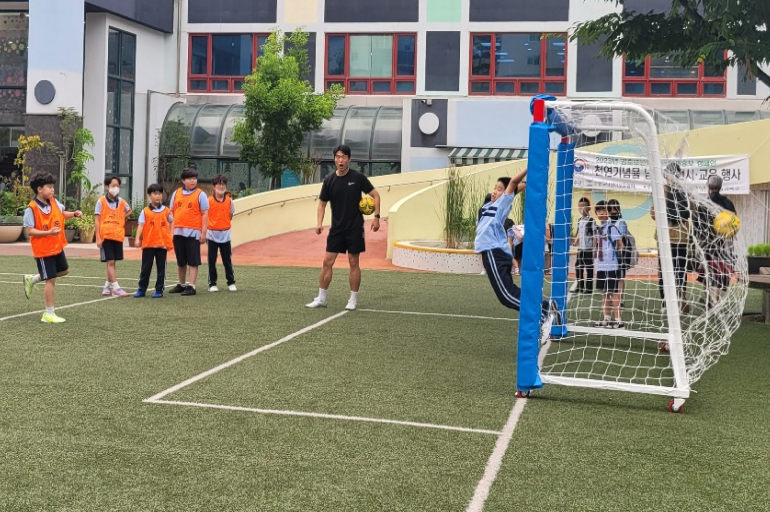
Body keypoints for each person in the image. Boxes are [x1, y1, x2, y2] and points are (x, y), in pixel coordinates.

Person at [475, 170, 561, 334]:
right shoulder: (487, 206)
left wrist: (531, 168)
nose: (495, 191)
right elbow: (515, 186)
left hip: (493, 252)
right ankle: (544, 306)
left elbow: (513, 184)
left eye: (500, 189)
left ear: (507, 193)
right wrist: (529, 183)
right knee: (508, 292)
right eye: (495, 188)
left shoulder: (503, 204)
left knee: (506, 295)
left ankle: (543, 312)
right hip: (494, 252)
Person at [306, 144, 381, 311]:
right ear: (334, 159)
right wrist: (319, 222)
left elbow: (376, 195)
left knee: (353, 262)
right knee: (327, 262)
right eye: (338, 157)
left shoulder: (358, 178)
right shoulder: (329, 181)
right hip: (337, 229)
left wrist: (376, 217)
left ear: (349, 159)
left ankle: (353, 299)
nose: (340, 160)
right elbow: (322, 204)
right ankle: (322, 298)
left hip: (354, 228)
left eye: (344, 157)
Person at [22, 171, 83, 323]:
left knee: (64, 270)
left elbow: (62, 213)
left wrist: (74, 214)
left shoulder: (54, 202)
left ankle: (33, 279)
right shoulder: (32, 209)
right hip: (43, 250)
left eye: (52, 187)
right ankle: (48, 314)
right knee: (51, 279)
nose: (52, 189)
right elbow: (29, 230)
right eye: (49, 187)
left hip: (56, 247)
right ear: (39, 189)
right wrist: (47, 232)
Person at [651, 172, 691, 313]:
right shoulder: (685, 190)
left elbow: (653, 214)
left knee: (670, 270)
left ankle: (671, 303)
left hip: (671, 237)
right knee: (677, 270)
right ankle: (674, 302)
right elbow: (692, 211)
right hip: (676, 237)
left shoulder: (665, 190)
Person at [168, 168, 209, 296]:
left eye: (194, 178)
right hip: (178, 232)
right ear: (183, 180)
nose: (193, 181)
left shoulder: (200, 194)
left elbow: (205, 214)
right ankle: (181, 284)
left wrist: (203, 233)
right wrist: (170, 232)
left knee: (193, 260)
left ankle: (192, 286)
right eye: (190, 178)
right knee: (181, 260)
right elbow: (171, 212)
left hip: (193, 233)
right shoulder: (176, 193)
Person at [133, 184, 173, 298]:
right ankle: (141, 289)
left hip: (162, 245)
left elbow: (172, 221)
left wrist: (171, 234)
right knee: (145, 268)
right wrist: (137, 239)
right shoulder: (145, 211)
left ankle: (159, 290)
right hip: (148, 244)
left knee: (161, 269)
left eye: (159, 194)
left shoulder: (166, 211)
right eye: (155, 194)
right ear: (149, 196)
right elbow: (140, 225)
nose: (157, 196)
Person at [95, 175, 132, 297]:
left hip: (117, 235)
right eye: (113, 185)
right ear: (107, 187)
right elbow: (97, 220)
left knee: (112, 262)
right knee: (110, 261)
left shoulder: (121, 202)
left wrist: (121, 217)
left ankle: (107, 285)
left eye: (117, 186)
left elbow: (129, 210)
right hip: (106, 236)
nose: (115, 188)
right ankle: (116, 287)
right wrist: (98, 238)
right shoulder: (101, 201)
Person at [594, 200, 624, 328]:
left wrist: (613, 256)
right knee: (605, 293)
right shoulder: (598, 229)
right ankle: (607, 318)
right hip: (601, 266)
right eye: (599, 211)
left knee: (614, 293)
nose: (601, 213)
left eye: (604, 210)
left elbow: (620, 244)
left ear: (609, 212)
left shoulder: (612, 227)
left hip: (611, 266)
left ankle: (618, 321)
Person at [207, 174, 236, 292]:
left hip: (225, 234)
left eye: (223, 184)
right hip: (212, 234)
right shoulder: (208, 201)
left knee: (227, 260)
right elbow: (204, 216)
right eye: (219, 184)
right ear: (214, 187)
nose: (221, 186)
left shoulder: (229, 201)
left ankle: (231, 282)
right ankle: (212, 283)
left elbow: (231, 215)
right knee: (211, 260)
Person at [607, 199, 629, 306]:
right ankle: (612, 298)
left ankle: (620, 299)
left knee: (619, 277)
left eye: (614, 209)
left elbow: (623, 238)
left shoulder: (621, 222)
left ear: (618, 210)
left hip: (619, 255)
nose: (612, 212)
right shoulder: (607, 223)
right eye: (610, 209)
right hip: (609, 256)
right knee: (611, 277)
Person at [571, 197, 595, 294]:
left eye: (584, 206)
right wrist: (576, 240)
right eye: (580, 207)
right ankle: (580, 287)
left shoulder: (591, 220)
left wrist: (595, 248)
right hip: (581, 249)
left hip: (589, 248)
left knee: (589, 268)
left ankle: (589, 289)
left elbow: (594, 235)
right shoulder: (580, 220)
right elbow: (579, 233)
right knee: (579, 267)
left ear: (589, 208)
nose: (581, 209)